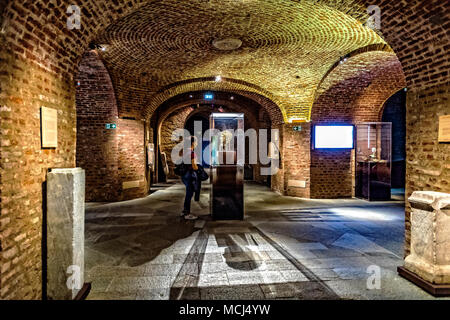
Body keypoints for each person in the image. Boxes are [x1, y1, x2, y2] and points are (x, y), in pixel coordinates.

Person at [181, 136, 200, 220]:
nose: (197, 143)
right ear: (192, 143)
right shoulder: (192, 153)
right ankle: (186, 213)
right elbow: (194, 166)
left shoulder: (184, 151)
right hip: (190, 175)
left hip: (184, 175)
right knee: (189, 194)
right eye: (196, 142)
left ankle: (185, 211)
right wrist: (198, 168)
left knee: (188, 193)